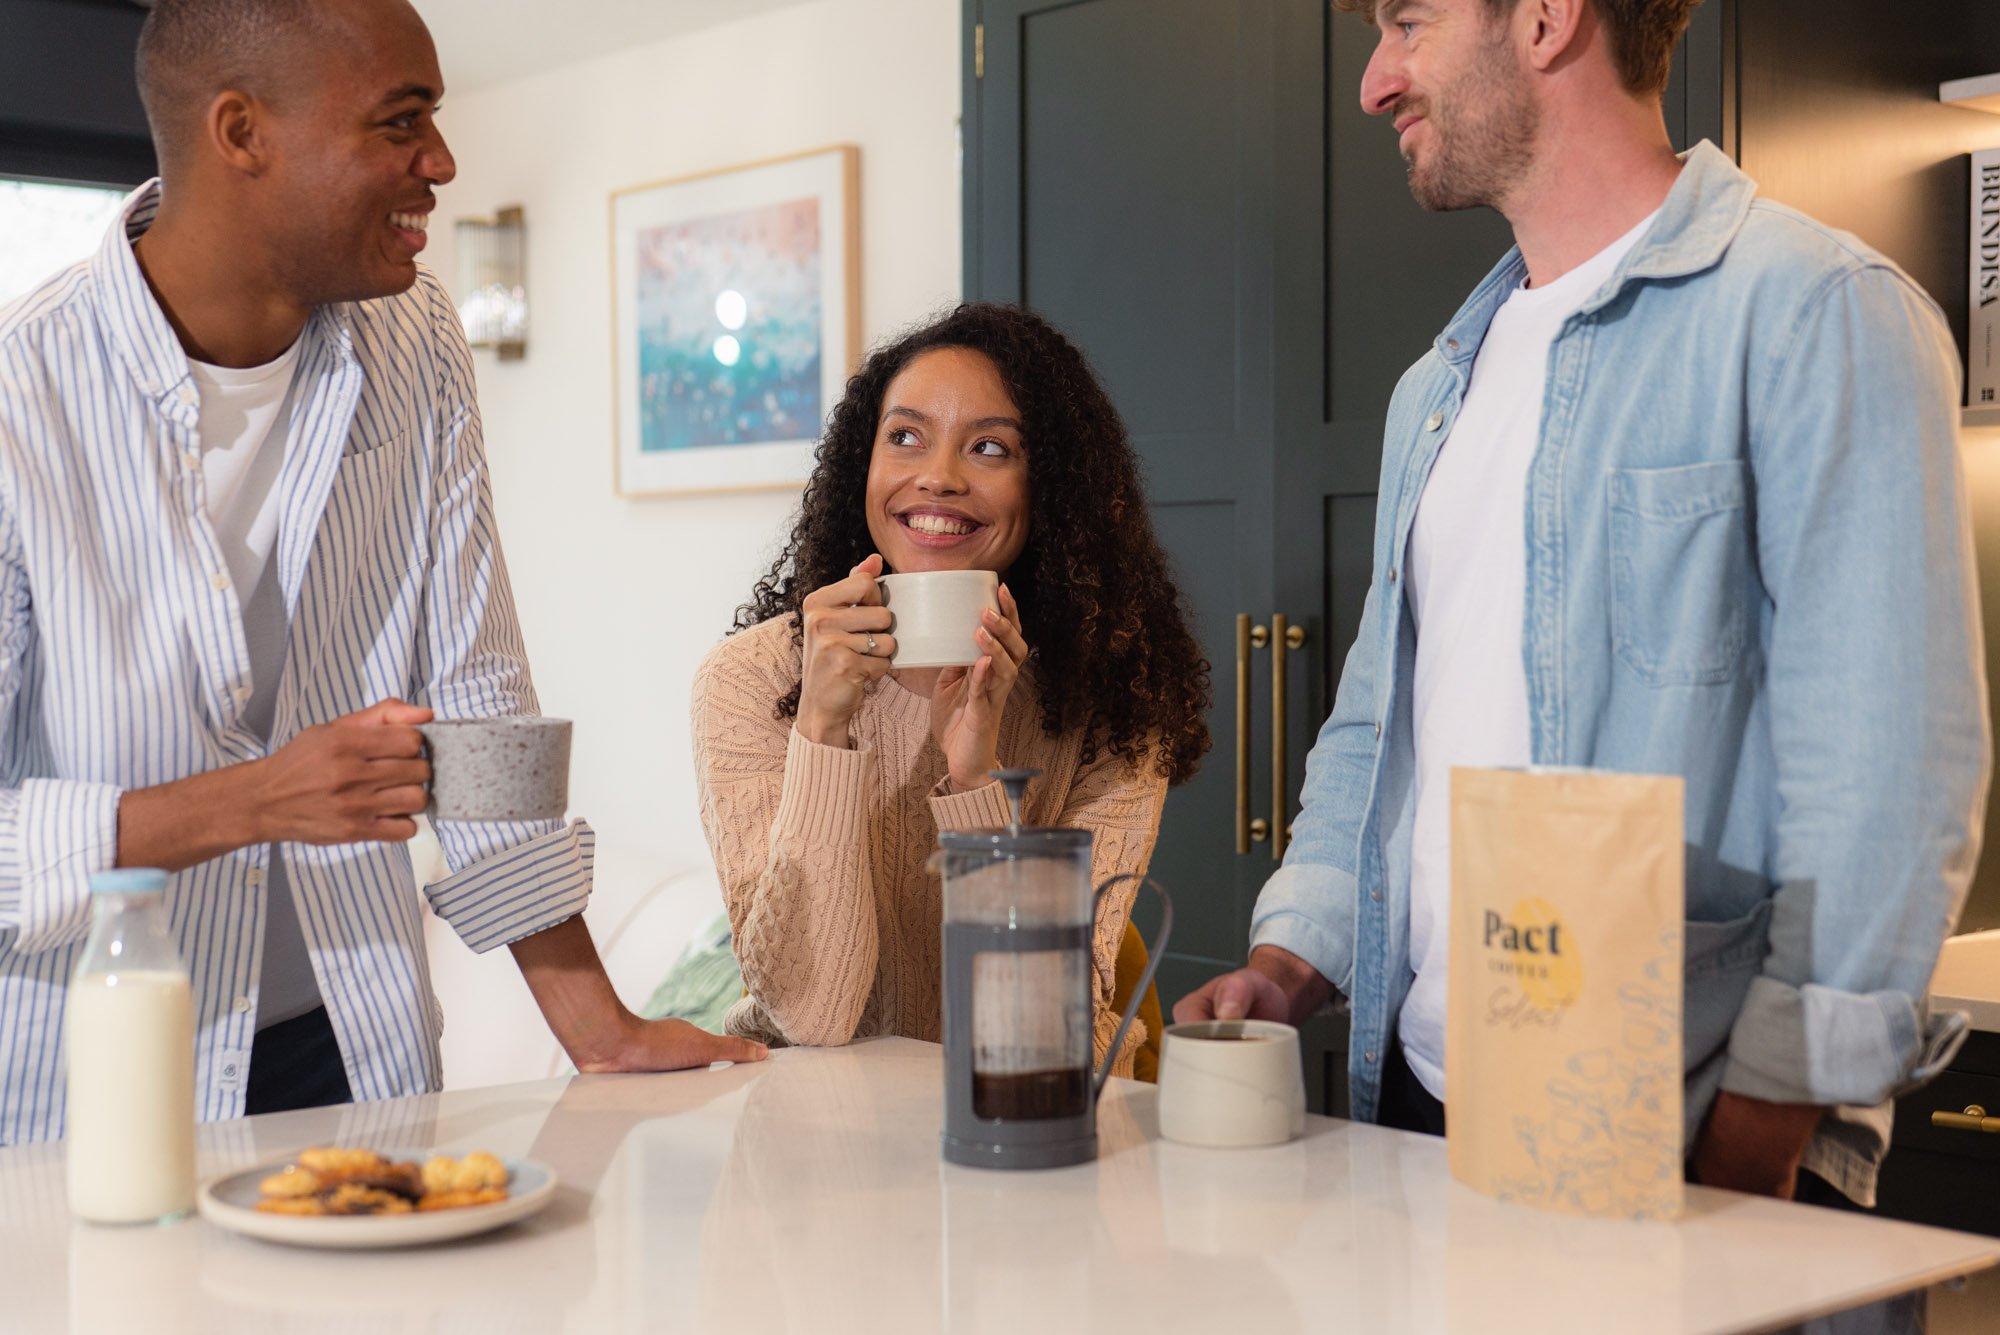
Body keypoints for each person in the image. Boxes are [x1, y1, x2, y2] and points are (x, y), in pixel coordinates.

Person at [1178, 0, 1987, 1206]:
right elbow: (1373, 733)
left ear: (1548, 18)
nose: (1373, 82)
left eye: (1405, 23)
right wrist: (1291, 957)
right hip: (1416, 1114)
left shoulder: (1815, 314)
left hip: (1692, 1131)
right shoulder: (1433, 389)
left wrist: (1760, 1125)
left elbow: (1885, 778)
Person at [0, 0, 761, 1144]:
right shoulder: (21, 400)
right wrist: (255, 800)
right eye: (399, 123)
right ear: (241, 131)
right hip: (90, 1078)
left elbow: (480, 710)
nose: (441, 163)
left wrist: (595, 1025)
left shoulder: (417, 347)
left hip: (350, 1054)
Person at [692, 303, 1210, 1077]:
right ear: (860, 467)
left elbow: (1035, 1021)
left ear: (1049, 490)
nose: (938, 475)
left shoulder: (1117, 699)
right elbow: (817, 1014)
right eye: (904, 436)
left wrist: (977, 781)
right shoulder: (751, 681)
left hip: (1042, 1122)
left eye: (990, 447)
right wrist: (822, 731)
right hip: (817, 1131)